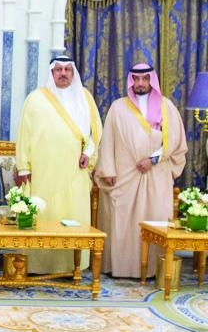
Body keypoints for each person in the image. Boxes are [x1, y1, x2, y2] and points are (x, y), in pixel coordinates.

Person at [95, 62, 187, 278]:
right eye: (136, 79)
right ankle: (121, 268)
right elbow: (107, 141)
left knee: (155, 219)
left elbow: (175, 141)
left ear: (152, 80)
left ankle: (154, 269)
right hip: (125, 175)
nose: (140, 83)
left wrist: (153, 159)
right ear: (131, 81)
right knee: (123, 222)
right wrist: (107, 170)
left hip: (156, 175)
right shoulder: (118, 107)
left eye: (145, 79)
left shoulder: (166, 107)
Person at [15, 55, 102, 274]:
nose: (63, 73)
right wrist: (24, 167)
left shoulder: (84, 97)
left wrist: (88, 153)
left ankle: (73, 267)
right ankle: (39, 266)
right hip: (43, 171)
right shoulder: (35, 99)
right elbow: (24, 134)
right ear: (51, 73)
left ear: (73, 73)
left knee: (74, 217)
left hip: (75, 170)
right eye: (58, 69)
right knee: (45, 214)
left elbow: (94, 133)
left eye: (67, 69)